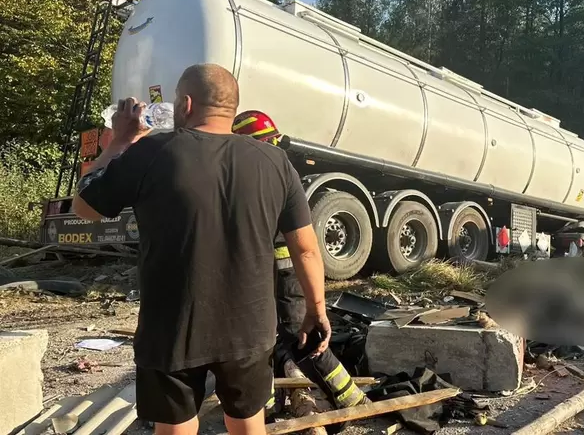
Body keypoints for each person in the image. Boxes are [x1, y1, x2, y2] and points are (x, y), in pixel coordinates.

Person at [71, 63, 330, 435]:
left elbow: (85, 208)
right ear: (233, 107)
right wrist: (316, 311)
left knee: (175, 428)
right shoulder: (276, 162)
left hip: (173, 328)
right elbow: (305, 249)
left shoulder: (151, 152)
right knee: (247, 424)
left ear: (186, 104)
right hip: (250, 327)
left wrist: (119, 140)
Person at [231, 110, 370, 426]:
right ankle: (268, 405)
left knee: (302, 338)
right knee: (262, 338)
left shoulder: (263, 175)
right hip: (268, 274)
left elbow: (303, 246)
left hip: (284, 274)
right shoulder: (270, 172)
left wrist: (316, 306)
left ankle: (351, 399)